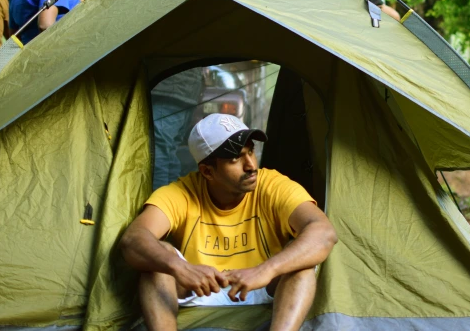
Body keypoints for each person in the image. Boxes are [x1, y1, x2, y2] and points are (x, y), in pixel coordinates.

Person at [120, 114, 337, 331]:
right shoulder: (182, 193)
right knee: (157, 258)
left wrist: (266, 270)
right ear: (207, 171)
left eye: (251, 151)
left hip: (261, 286)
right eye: (236, 159)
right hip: (199, 290)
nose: (251, 165)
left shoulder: (272, 184)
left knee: (300, 261)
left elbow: (323, 232)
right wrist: (179, 267)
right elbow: (133, 239)